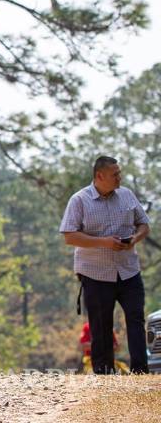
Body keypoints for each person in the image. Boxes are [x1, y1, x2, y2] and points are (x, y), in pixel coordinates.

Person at [60, 155, 150, 374]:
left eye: (119, 173)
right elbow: (69, 236)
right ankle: (104, 376)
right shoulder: (79, 200)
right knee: (100, 327)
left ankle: (140, 373)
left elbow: (144, 224)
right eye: (115, 174)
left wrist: (134, 240)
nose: (120, 177)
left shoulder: (127, 195)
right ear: (100, 176)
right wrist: (104, 243)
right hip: (95, 275)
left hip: (128, 271)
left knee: (136, 319)